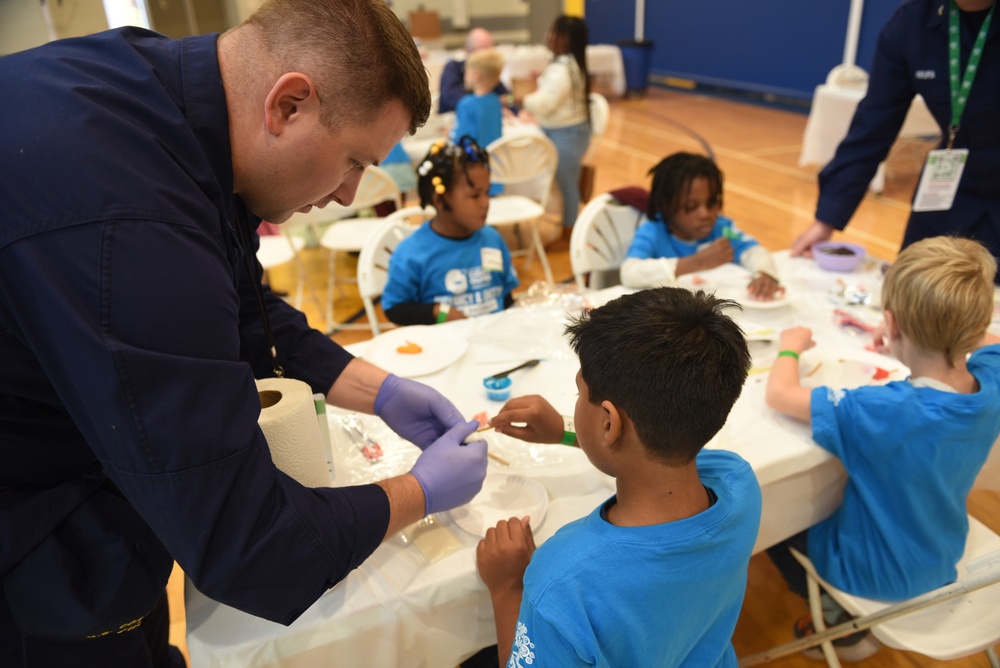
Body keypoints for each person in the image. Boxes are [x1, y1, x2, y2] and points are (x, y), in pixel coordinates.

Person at [0, 1, 490, 665]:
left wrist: (380, 390)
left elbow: (237, 305)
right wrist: (420, 492)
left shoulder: (164, 101)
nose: (350, 194)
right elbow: (249, 544)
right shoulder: (131, 225)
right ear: (288, 105)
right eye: (352, 161)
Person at [477, 287, 762, 667]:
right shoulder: (738, 481)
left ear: (609, 422)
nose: (576, 402)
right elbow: (654, 450)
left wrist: (507, 587)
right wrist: (565, 430)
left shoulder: (564, 580)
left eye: (579, 393)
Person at [765, 236, 1000, 660]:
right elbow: (987, 338)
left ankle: (840, 620)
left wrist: (791, 344)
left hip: (869, 574)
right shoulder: (992, 378)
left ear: (889, 324)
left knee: (772, 522)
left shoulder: (881, 411)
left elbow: (780, 394)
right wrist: (921, 329)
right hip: (944, 550)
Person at [790, 0, 1000, 276]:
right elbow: (873, 124)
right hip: (951, 183)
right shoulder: (911, 23)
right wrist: (827, 218)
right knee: (914, 290)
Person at [382, 137, 519, 326]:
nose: (486, 202)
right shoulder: (412, 252)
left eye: (487, 192)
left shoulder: (492, 239)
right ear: (440, 200)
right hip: (444, 348)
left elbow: (505, 296)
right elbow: (394, 309)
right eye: (475, 195)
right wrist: (439, 312)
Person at [621, 152, 782, 300]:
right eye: (691, 206)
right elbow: (629, 272)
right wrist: (696, 262)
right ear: (665, 206)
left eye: (712, 202)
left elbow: (754, 251)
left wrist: (763, 273)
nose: (705, 214)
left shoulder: (722, 229)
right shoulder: (653, 232)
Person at [520, 15, 591, 246]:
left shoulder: (564, 69)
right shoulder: (564, 65)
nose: (549, 36)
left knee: (568, 186)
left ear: (567, 39)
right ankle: (568, 227)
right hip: (561, 131)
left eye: (555, 32)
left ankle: (570, 235)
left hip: (567, 135)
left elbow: (544, 104)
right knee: (564, 184)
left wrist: (518, 99)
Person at [438, 27, 510, 114]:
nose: (488, 60)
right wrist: (491, 104)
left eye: (490, 54)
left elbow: (509, 97)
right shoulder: (453, 68)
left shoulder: (488, 72)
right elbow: (452, 98)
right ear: (467, 50)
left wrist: (515, 107)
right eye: (482, 54)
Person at [450, 49, 505, 152]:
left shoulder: (466, 104)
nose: (464, 75)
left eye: (466, 71)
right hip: (495, 160)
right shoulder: (496, 101)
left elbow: (462, 141)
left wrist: (450, 133)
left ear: (476, 75)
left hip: (475, 163)